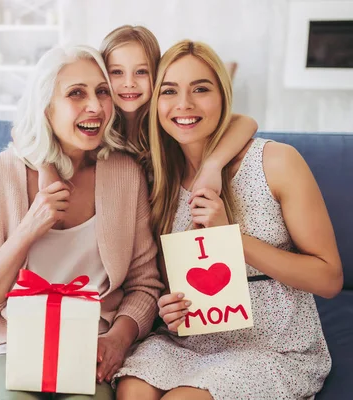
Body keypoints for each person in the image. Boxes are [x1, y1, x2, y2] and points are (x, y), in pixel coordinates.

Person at [0, 44, 164, 399]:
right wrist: (29, 227)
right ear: (46, 107)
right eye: (76, 93)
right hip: (5, 337)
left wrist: (117, 339)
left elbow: (144, 283)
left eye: (102, 92)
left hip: (88, 339)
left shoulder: (126, 175)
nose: (95, 106)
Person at [113, 39, 343, 400]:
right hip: (191, 342)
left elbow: (329, 279)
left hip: (275, 348)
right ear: (155, 102)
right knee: (131, 392)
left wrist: (231, 239)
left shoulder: (277, 162)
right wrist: (169, 309)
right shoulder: (157, 179)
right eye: (169, 91)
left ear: (223, 96)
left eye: (200, 89)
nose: (184, 104)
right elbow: (170, 281)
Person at [37, 26, 258, 215]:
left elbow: (246, 122)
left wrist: (213, 165)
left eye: (141, 72)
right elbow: (33, 131)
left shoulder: (169, 122)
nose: (129, 83)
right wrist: (44, 166)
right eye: (117, 72)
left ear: (157, 75)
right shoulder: (96, 125)